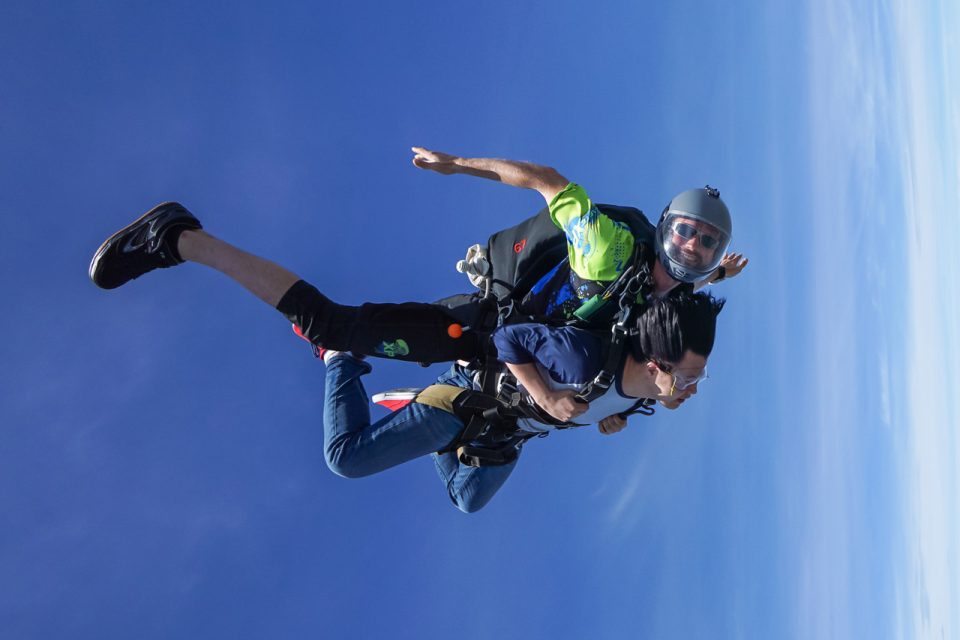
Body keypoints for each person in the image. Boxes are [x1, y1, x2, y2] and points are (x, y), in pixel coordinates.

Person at [314, 291, 723, 513]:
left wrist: (609, 420)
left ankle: (431, 439)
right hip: (469, 399)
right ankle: (341, 358)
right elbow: (506, 338)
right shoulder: (580, 359)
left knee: (467, 500)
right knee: (346, 460)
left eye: (698, 377)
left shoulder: (639, 395)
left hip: (506, 435)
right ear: (654, 365)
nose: (693, 389)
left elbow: (610, 404)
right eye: (687, 378)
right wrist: (545, 396)